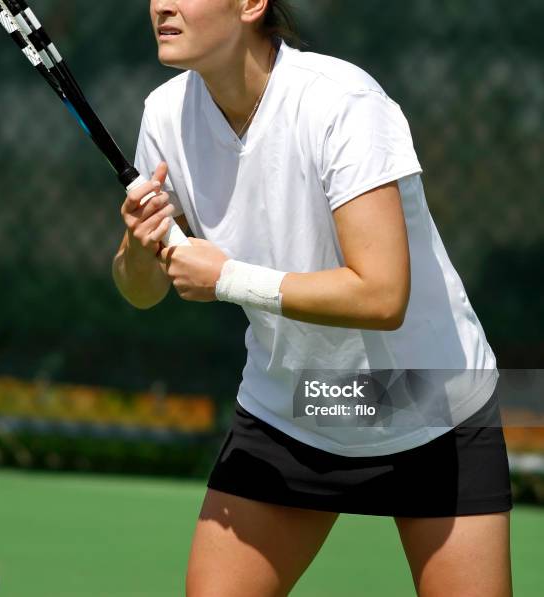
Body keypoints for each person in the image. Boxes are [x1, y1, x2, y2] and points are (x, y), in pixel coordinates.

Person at [112, 1, 513, 595]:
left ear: (251, 5)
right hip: (296, 408)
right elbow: (140, 292)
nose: (162, 4)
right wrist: (139, 248)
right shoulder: (165, 114)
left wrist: (227, 279)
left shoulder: (341, 102)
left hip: (429, 403)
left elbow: (381, 294)